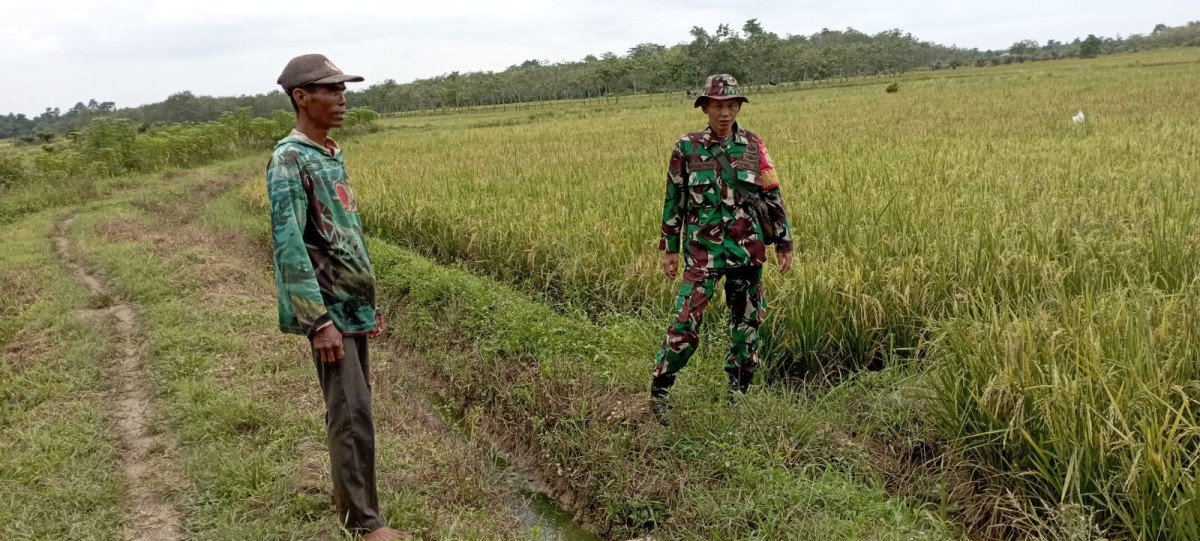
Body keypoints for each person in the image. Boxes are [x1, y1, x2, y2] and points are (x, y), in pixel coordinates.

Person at [267, 53, 408, 540]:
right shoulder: (290, 159)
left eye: (343, 89)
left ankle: (353, 503)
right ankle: (365, 525)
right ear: (301, 98)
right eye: (331, 90)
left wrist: (368, 304)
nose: (342, 98)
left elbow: (346, 236)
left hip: (352, 308)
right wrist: (317, 322)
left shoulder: (328, 153)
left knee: (357, 410)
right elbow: (288, 246)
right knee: (352, 417)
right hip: (329, 313)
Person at [651, 74, 794, 423]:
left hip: (747, 251)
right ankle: (660, 392)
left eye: (731, 105)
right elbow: (675, 199)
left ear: (738, 106)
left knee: (747, 326)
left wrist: (784, 242)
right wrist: (670, 246)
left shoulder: (754, 145)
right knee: (685, 322)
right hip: (702, 252)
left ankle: (738, 395)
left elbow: (771, 194)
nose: (725, 112)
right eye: (717, 105)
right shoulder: (686, 147)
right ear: (705, 108)